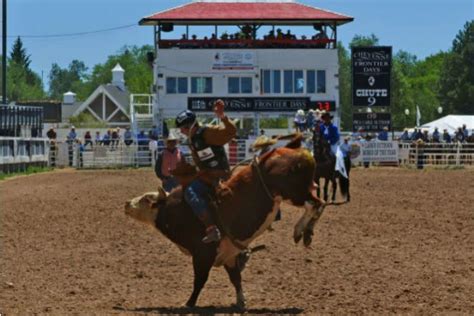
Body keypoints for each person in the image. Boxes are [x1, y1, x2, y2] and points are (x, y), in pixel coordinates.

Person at [174, 99, 236, 243]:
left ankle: (211, 228)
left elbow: (231, 131)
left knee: (191, 192)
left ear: (190, 126)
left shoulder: (207, 133)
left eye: (182, 128)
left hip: (220, 175)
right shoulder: (193, 139)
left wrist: (222, 116)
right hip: (208, 176)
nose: (181, 132)